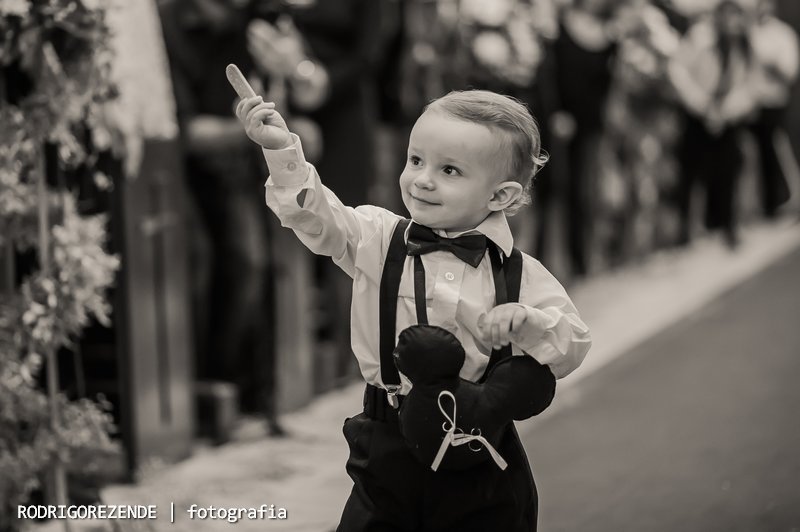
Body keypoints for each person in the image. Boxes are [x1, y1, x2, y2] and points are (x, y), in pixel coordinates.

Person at [235, 88, 591, 531]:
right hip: (387, 436)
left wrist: (530, 324)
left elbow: (573, 343)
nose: (422, 179)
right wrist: (281, 150)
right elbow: (316, 217)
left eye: (449, 170)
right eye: (416, 160)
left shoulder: (522, 273)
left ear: (500, 197)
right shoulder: (378, 238)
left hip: (477, 439)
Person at [159, 0, 285, 435]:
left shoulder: (252, 22)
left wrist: (284, 73)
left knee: (259, 268)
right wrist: (254, 129)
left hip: (242, 166)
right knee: (233, 264)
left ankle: (254, 397)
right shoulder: (170, 26)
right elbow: (186, 132)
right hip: (186, 174)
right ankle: (217, 394)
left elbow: (287, 87)